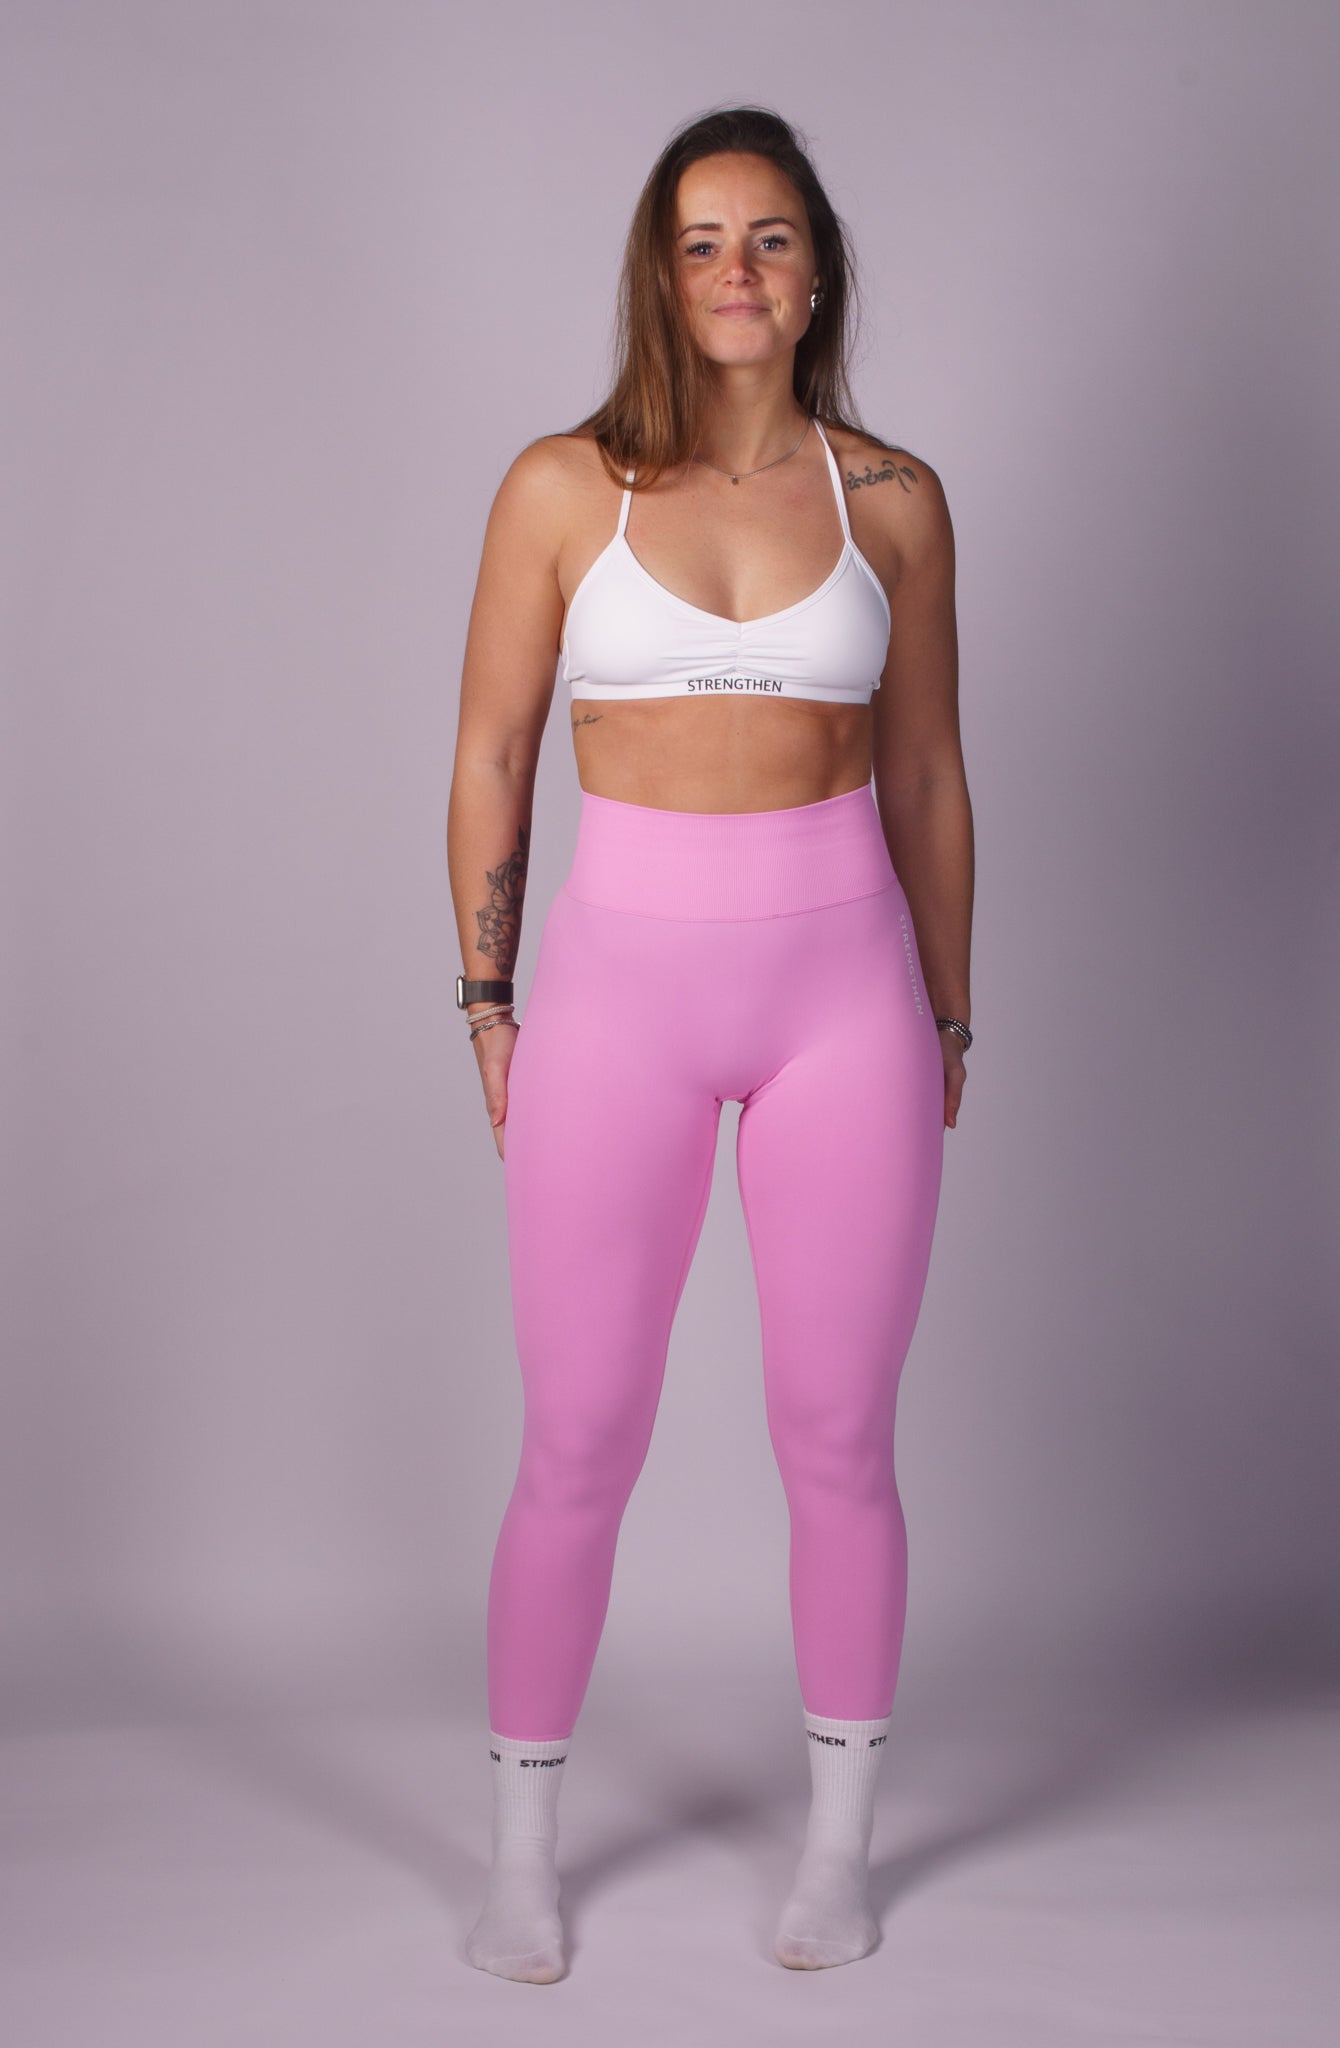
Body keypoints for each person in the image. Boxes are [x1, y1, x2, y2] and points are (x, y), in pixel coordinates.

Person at [445, 104, 973, 1983]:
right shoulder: (560, 488)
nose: (734, 271)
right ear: (658, 277)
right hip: (617, 1003)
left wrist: (950, 1009)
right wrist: (487, 1001)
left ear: (815, 268)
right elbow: (493, 752)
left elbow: (925, 773)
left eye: (766, 238)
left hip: (846, 1002)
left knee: (836, 1432)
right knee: (579, 1434)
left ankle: (836, 1855)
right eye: (698, 242)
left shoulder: (891, 497)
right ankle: (523, 1864)